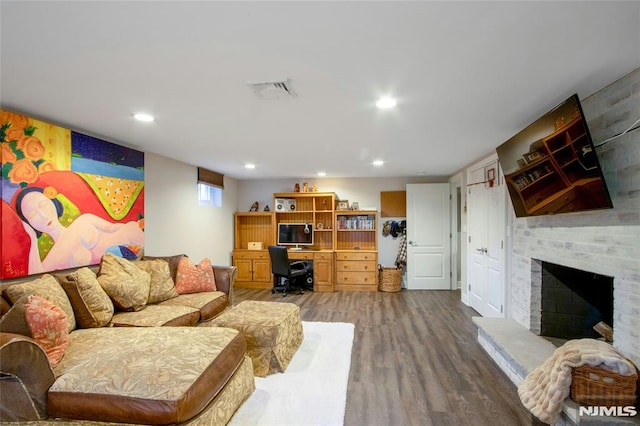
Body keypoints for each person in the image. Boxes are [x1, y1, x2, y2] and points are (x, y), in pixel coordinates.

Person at [15, 186, 144, 274]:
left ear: (52, 201)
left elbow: (112, 227)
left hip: (128, 252)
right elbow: (37, 277)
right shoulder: (53, 257)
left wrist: (139, 226)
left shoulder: (84, 219)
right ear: (29, 223)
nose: (43, 216)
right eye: (32, 215)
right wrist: (31, 237)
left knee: (132, 229)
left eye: (42, 205)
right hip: (114, 272)